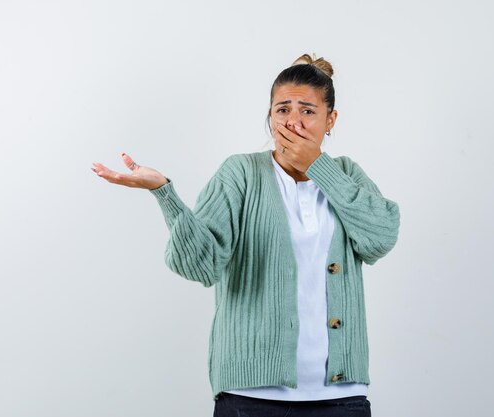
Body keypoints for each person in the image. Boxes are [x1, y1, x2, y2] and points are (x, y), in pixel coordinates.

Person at [91, 53, 400, 417]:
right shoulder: (240, 173)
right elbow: (201, 266)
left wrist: (318, 167)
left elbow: (380, 236)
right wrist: (164, 193)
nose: (293, 121)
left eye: (308, 111)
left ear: (330, 119)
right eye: (282, 109)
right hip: (249, 396)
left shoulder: (345, 173)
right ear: (270, 116)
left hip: (341, 395)